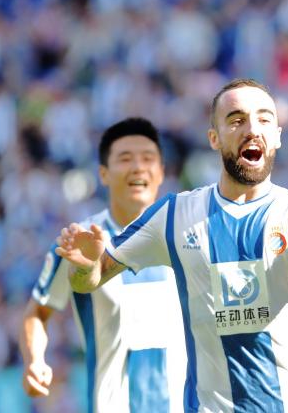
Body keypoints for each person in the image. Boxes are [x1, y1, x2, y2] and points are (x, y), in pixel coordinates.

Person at [56, 79, 288, 412]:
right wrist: (85, 266)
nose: (251, 128)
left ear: (277, 134)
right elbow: (91, 278)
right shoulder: (176, 216)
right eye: (236, 119)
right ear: (213, 138)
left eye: (263, 119)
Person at [19, 117, 186, 413]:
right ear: (104, 174)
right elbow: (38, 311)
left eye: (148, 159)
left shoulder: (185, 237)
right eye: (125, 158)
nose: (138, 167)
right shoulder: (79, 241)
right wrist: (35, 359)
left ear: (161, 172)